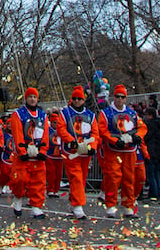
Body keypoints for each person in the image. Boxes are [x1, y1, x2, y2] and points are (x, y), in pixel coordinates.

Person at [97, 84, 146, 219]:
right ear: (114, 97)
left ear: (125, 98)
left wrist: (137, 137)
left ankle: (128, 206)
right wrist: (113, 140)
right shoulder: (106, 113)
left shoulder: (132, 113)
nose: (119, 99)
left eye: (122, 97)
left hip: (129, 151)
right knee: (113, 178)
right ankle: (111, 205)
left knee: (129, 179)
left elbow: (142, 127)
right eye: (117, 97)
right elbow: (103, 130)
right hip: (113, 151)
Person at [53, 85, 98, 219]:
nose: (77, 101)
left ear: (84, 100)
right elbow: (61, 128)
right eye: (75, 99)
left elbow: (95, 132)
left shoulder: (90, 115)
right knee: (76, 177)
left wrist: (93, 146)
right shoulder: (65, 113)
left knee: (81, 178)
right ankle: (78, 206)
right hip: (71, 152)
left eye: (80, 99)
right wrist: (71, 141)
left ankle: (74, 200)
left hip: (85, 152)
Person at [7, 86, 49, 219]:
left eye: (34, 97)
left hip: (37, 156)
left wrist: (43, 150)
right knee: (20, 179)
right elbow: (17, 133)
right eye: (30, 97)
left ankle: (36, 207)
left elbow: (46, 135)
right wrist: (22, 151)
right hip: (23, 156)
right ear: (26, 98)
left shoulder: (43, 116)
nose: (32, 99)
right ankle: (18, 197)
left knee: (38, 182)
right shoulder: (18, 115)